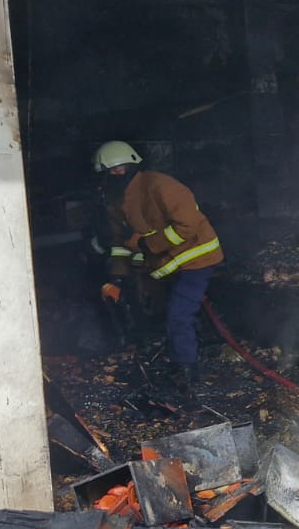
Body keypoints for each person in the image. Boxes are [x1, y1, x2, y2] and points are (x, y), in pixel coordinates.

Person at [93, 141, 223, 387]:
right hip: (164, 264)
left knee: (178, 316)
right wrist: (117, 278)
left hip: (196, 258)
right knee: (166, 313)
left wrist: (147, 245)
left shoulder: (160, 185)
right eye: (109, 170)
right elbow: (120, 241)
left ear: (132, 164)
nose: (116, 173)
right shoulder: (114, 199)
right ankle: (191, 348)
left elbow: (187, 226)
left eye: (120, 167)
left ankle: (187, 374)